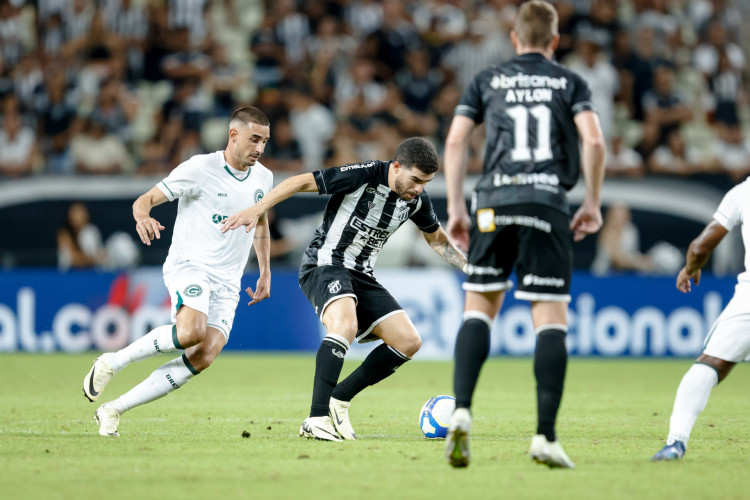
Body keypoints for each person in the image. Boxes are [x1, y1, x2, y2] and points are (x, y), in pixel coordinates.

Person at [442, 0, 606, 469]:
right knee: (550, 320)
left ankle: (461, 412)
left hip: (492, 203)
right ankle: (545, 437)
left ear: (514, 38)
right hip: (546, 201)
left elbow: (455, 141)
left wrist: (457, 208)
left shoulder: (487, 79)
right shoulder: (569, 81)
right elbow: (593, 140)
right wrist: (592, 202)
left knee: (479, 309)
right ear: (555, 41)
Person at [221, 137, 468, 441]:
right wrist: (255, 209)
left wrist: (472, 270)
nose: (418, 188)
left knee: (408, 341)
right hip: (324, 263)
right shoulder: (363, 175)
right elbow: (300, 182)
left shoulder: (416, 200)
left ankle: (339, 398)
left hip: (362, 274)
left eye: (426, 183)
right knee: (345, 325)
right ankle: (316, 418)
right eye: (415, 179)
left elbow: (437, 240)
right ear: (397, 166)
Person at [82, 107, 273, 437]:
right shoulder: (201, 168)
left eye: (265, 142)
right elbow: (145, 199)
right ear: (233, 135)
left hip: (229, 281)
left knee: (204, 354)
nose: (259, 148)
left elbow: (261, 220)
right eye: (254, 139)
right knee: (190, 332)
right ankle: (112, 362)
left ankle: (113, 409)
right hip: (191, 265)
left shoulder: (264, 178)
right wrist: (142, 216)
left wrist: (265, 271)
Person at [651, 177, 750, 461]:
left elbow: (700, 247)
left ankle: (675, 443)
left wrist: (691, 268)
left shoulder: (742, 193)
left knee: (710, 364)